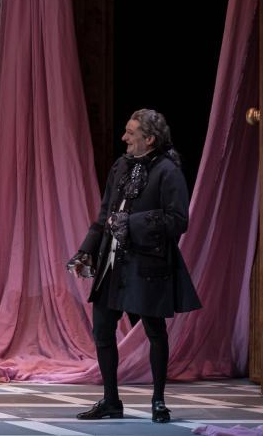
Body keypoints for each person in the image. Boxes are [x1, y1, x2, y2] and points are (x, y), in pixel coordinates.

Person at [67, 109, 201, 424]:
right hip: (112, 262)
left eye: (131, 132)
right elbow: (105, 216)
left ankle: (158, 401)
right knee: (102, 329)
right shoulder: (121, 166)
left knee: (154, 330)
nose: (124, 137)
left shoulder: (168, 171)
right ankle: (111, 401)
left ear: (149, 138)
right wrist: (85, 251)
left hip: (147, 263)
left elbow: (178, 220)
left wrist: (132, 222)